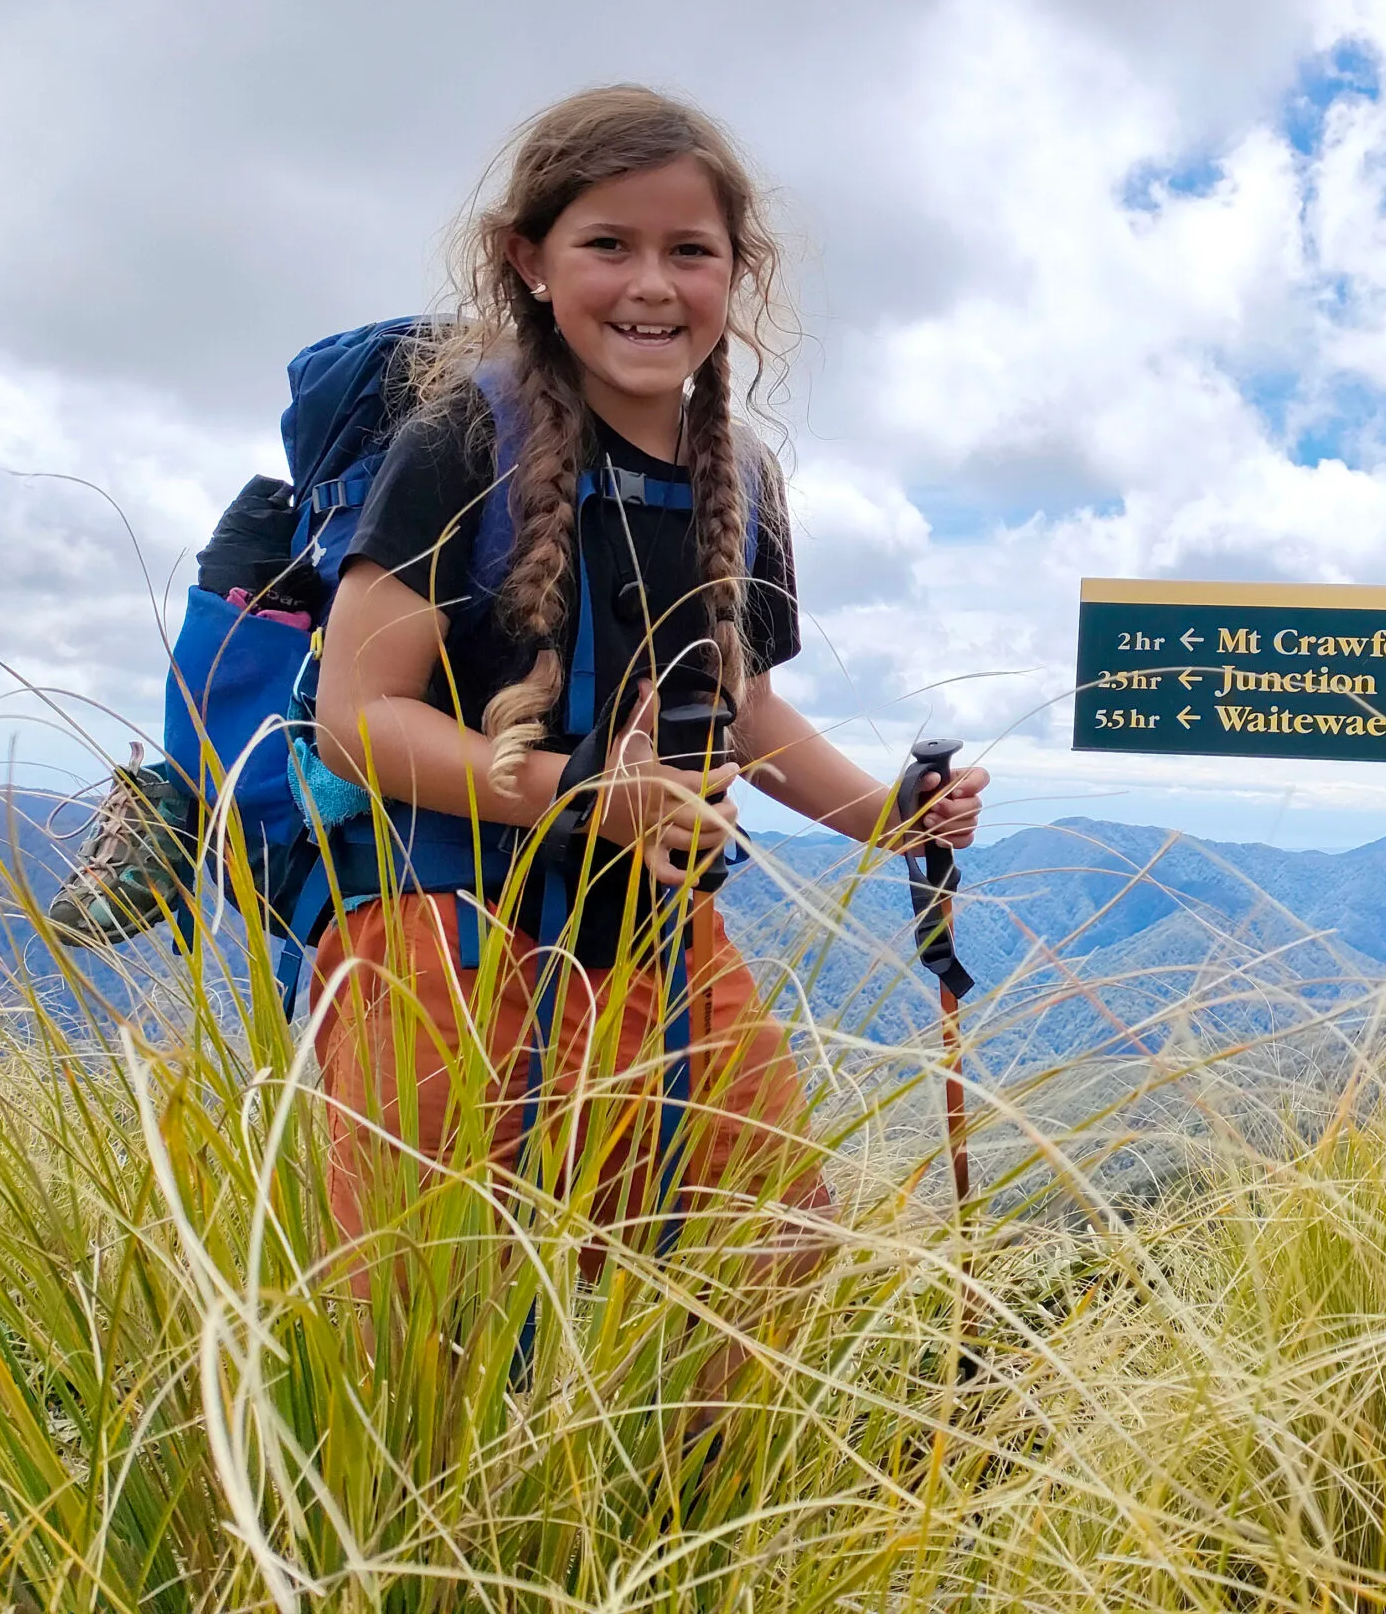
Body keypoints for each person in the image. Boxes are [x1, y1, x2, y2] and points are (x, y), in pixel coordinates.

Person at [307, 83, 985, 1358]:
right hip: (439, 944)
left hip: (664, 944)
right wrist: (581, 792)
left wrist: (888, 821)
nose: (650, 284)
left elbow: (747, 712)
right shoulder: (464, 441)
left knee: (768, 1267)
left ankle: (683, 1544)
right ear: (530, 261)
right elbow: (356, 717)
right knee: (424, 1351)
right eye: (606, 245)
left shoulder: (741, 471)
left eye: (690, 251)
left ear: (739, 272)